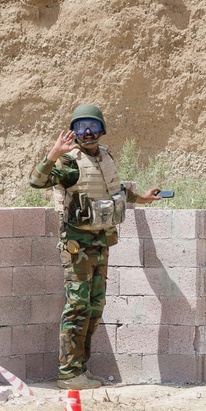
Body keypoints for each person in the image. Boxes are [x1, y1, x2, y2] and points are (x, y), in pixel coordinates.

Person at [29, 103, 163, 389]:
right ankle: (68, 373)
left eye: (92, 126)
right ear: (73, 131)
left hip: (101, 242)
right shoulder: (69, 162)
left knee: (94, 307)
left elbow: (116, 191)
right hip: (77, 245)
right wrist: (54, 153)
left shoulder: (105, 158)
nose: (87, 132)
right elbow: (36, 181)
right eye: (80, 127)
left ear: (102, 129)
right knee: (77, 307)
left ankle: (81, 369)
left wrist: (142, 198)